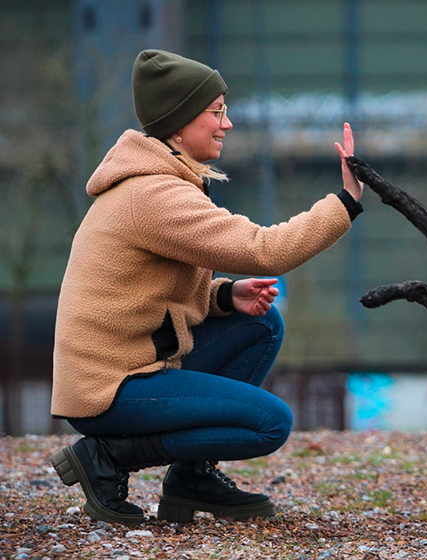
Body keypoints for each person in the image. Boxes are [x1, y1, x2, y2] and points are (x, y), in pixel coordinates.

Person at [49, 49, 363, 526]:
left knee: (260, 325)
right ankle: (108, 457)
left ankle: (192, 477)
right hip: (111, 389)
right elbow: (264, 250)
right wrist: (345, 201)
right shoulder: (154, 194)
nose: (227, 124)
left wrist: (222, 296)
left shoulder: (159, 183)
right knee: (269, 424)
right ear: (179, 121)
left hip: (136, 365)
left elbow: (148, 292)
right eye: (216, 112)